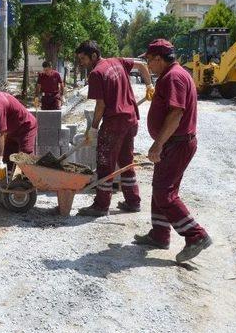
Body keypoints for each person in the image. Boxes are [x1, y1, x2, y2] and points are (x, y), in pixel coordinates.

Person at [134, 39, 212, 262]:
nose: (148, 64)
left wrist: (157, 144)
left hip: (177, 143)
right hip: (173, 142)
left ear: (159, 58)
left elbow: (176, 114)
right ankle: (159, 234)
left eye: (149, 60)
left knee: (164, 192)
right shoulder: (172, 75)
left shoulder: (174, 77)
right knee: (162, 188)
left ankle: (196, 235)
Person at [74, 40, 154, 217]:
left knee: (105, 163)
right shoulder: (117, 61)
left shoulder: (96, 73)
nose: (81, 62)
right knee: (126, 160)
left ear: (94, 55)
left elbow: (100, 106)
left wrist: (93, 129)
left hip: (114, 123)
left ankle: (101, 206)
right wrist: (149, 85)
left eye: (83, 58)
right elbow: (141, 66)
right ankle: (133, 201)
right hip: (130, 119)